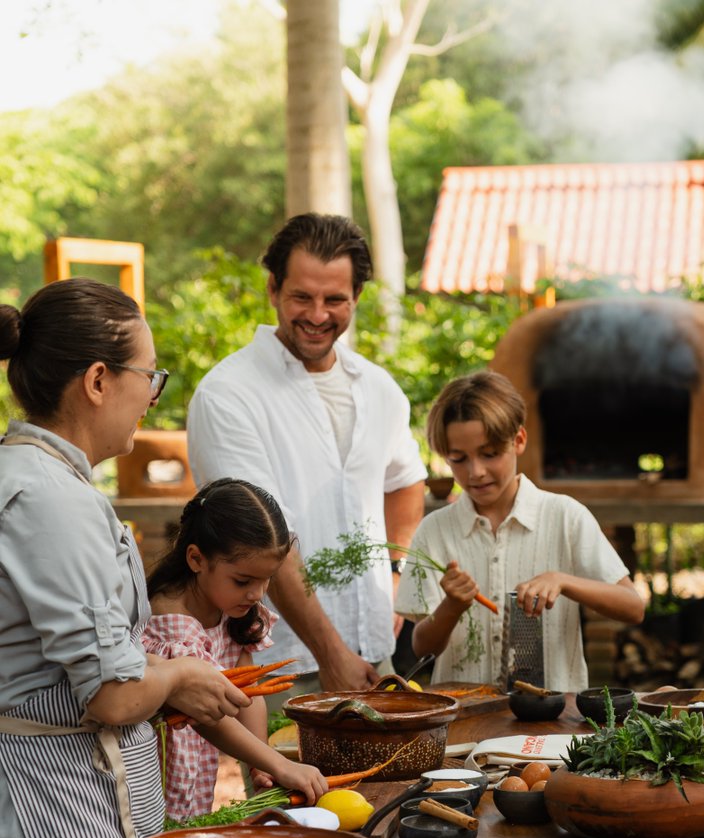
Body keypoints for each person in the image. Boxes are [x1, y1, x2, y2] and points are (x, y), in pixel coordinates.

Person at [0, 279, 250, 838]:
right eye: (151, 376)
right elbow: (112, 697)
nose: (154, 394)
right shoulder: (47, 498)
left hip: (71, 803)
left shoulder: (50, 482)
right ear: (100, 381)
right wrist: (180, 674)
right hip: (57, 812)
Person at [186, 212, 426, 697]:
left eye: (335, 299)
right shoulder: (228, 394)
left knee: (387, 776)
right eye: (302, 297)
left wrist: (397, 579)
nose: (318, 315)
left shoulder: (380, 389)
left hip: (375, 651)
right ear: (274, 288)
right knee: (290, 776)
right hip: (280, 663)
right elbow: (261, 541)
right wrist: (330, 653)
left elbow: (404, 481)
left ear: (356, 296)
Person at [394, 370, 646, 691]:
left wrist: (563, 580)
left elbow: (633, 607)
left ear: (519, 441)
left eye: (489, 454)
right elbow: (422, 648)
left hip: (553, 717)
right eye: (458, 459)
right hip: (466, 717)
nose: (476, 472)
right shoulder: (435, 530)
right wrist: (452, 606)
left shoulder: (564, 516)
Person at [142, 478, 328, 822]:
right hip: (159, 773)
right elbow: (206, 718)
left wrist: (259, 762)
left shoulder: (231, 607)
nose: (257, 593)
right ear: (197, 559)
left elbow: (249, 692)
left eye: (266, 580)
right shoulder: (171, 621)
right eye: (243, 581)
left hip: (198, 769)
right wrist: (280, 764)